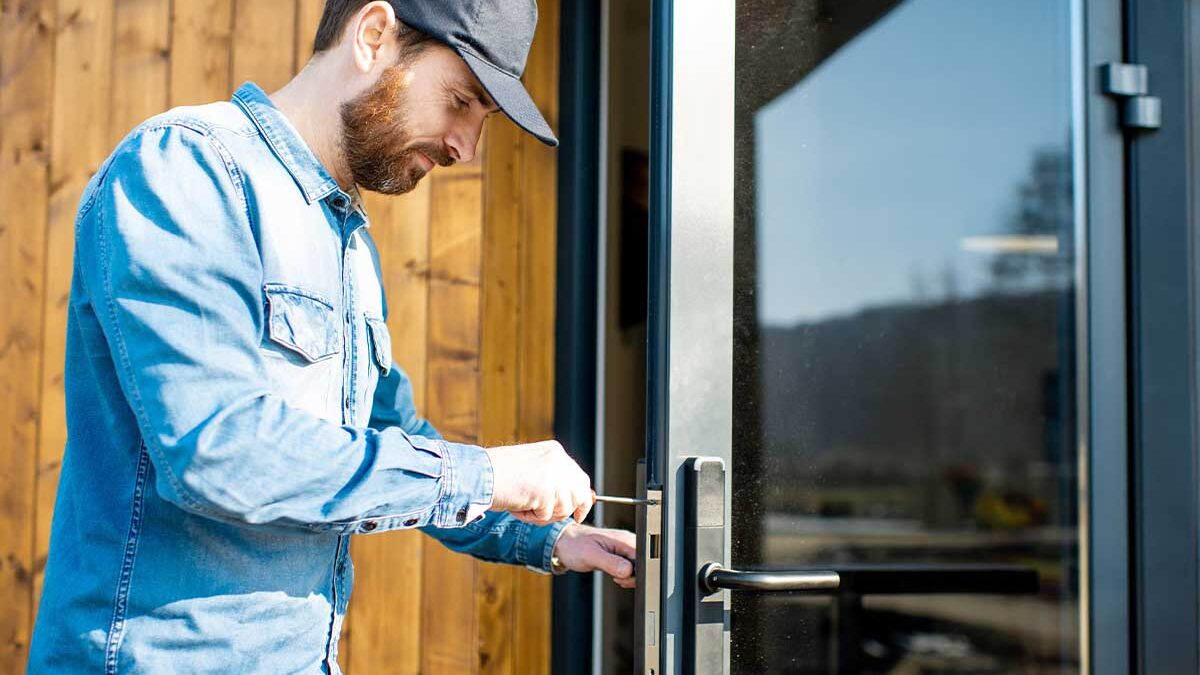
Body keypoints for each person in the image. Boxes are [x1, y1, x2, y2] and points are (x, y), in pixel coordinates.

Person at [28, 1, 635, 672]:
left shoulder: (347, 244)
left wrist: (547, 537)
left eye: (481, 118)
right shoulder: (185, 169)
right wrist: (488, 475)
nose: (466, 145)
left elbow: (390, 444)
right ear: (374, 35)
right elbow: (219, 449)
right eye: (461, 100)